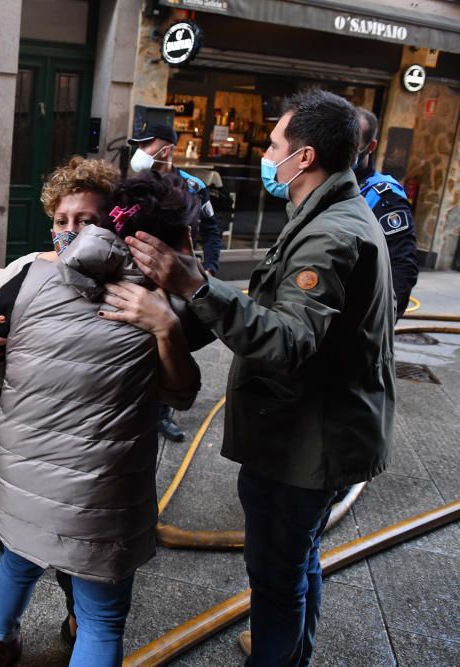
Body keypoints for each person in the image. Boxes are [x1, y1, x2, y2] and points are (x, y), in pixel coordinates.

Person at [123, 90, 395, 666]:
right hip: (309, 434)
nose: (267, 154)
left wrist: (195, 286)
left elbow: (288, 341)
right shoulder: (323, 212)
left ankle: (277, 655)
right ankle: (293, 650)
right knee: (298, 563)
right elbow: (274, 312)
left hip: (307, 446)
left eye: (275, 145)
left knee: (277, 578)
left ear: (305, 157)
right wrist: (193, 280)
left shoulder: (331, 233)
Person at [0, 170, 201, 667]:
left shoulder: (25, 277)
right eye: (60, 220)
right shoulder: (162, 303)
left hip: (20, 482)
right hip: (101, 498)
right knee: (101, 620)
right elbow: (180, 393)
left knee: (16, 563)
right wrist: (168, 321)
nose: (68, 230)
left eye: (82, 220)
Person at [127, 121, 223, 442]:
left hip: (181, 279)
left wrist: (209, 266)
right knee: (142, 343)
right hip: (144, 276)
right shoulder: (135, 186)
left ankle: (163, 410)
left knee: (176, 341)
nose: (139, 153)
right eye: (138, 146)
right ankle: (139, 403)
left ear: (166, 150)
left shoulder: (193, 187)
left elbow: (211, 230)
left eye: (146, 146)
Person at [353, 107, 418, 320]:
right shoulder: (322, 183)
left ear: (370, 146)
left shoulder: (384, 196)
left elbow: (402, 266)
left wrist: (383, 328)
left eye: (354, 142)